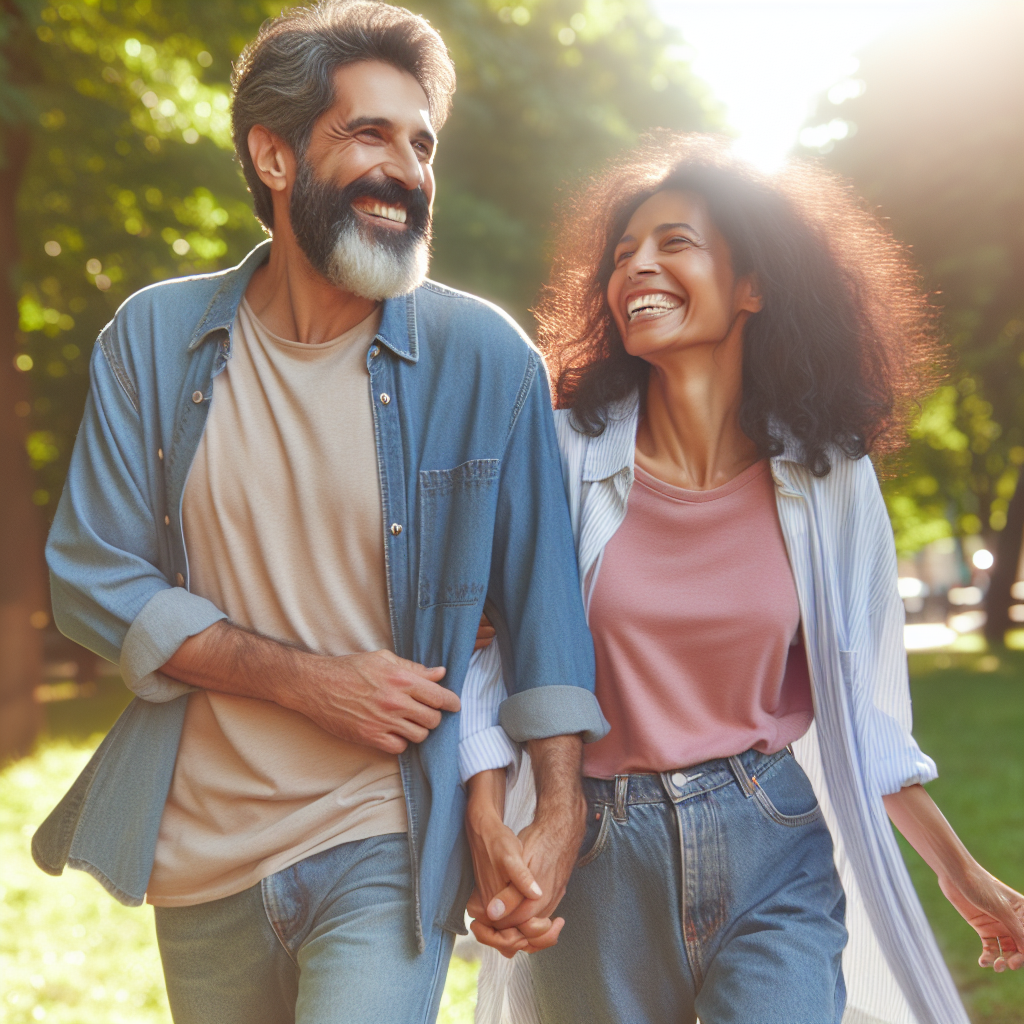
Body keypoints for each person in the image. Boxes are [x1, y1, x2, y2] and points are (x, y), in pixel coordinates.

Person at [31, 3, 606, 1022]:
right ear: (275, 154)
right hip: (203, 850)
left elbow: (542, 612)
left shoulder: (485, 362)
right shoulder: (154, 339)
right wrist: (310, 683)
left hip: (383, 837)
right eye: (369, 133)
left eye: (421, 144)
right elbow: (93, 575)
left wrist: (556, 810)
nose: (407, 169)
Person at [461, 133, 1024, 1024]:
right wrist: (492, 823)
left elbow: (861, 705)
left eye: (673, 243)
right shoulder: (561, 454)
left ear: (753, 284)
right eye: (622, 254)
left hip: (773, 842)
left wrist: (963, 874)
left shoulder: (830, 476)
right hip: (599, 853)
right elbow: (491, 657)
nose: (638, 264)